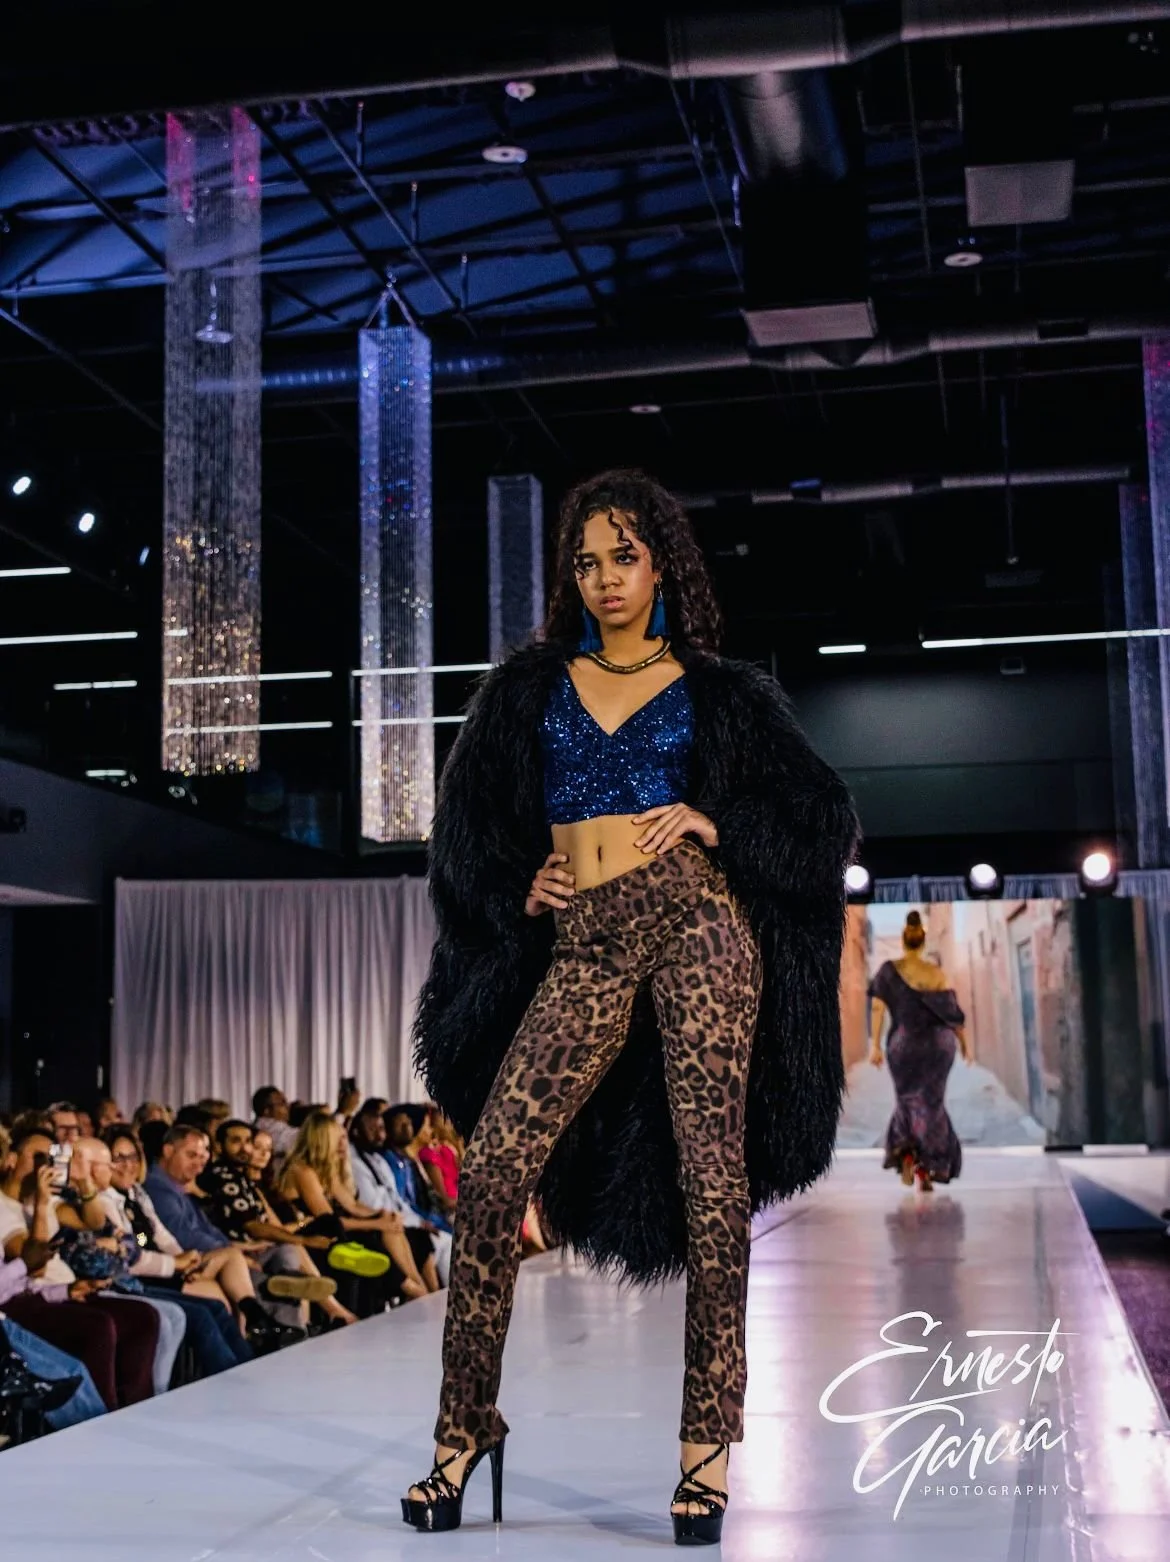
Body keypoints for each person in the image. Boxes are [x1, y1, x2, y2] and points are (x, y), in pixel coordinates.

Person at [403, 468, 858, 1544]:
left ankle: (706, 1451)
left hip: (698, 922)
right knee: (495, 1173)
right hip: (586, 938)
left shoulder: (719, 689)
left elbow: (820, 812)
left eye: (625, 556)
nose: (605, 579)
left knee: (713, 1185)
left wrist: (718, 820)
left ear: (662, 564)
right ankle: (463, 1429)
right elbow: (469, 830)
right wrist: (520, 876)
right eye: (587, 561)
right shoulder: (528, 689)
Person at [0, 1124, 160, 1409]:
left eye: (131, 1158)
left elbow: (147, 1236)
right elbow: (87, 1252)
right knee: (145, 1318)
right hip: (94, 1280)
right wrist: (138, 1253)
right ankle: (106, 1412)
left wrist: (86, 1184)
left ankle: (138, 1404)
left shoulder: (134, 1198)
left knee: (153, 1316)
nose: (122, 1166)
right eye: (113, 1160)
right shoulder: (63, 1198)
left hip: (117, 1275)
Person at [99, 1126, 255, 1375]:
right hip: (135, 1279)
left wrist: (184, 1261)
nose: (127, 1165)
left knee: (219, 1293)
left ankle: (247, 1364)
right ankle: (232, 1375)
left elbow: (159, 1236)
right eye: (119, 1158)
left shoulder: (135, 1194)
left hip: (161, 1268)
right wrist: (176, 1264)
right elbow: (133, 1255)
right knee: (208, 1307)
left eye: (132, 1157)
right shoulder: (103, 1200)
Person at [143, 1125, 308, 1349]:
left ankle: (283, 1329)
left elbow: (194, 1232)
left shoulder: (168, 1189)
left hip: (191, 1259)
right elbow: (177, 1237)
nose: (199, 1163)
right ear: (168, 1150)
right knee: (256, 1281)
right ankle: (272, 1336)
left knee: (282, 1251)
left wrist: (236, 1247)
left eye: (203, 1156)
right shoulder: (157, 1188)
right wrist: (232, 1251)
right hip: (171, 1267)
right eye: (191, 1155)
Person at [199, 1120, 359, 1327]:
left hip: (250, 1248)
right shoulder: (221, 1178)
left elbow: (268, 1225)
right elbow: (251, 1225)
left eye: (248, 1141)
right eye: (236, 1141)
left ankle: (299, 1320)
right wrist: (301, 1235)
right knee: (282, 1261)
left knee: (288, 1252)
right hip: (225, 1254)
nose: (245, 1148)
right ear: (219, 1146)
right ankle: (308, 1314)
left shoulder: (243, 1179)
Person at [277, 1111, 430, 1303]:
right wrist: (376, 1224)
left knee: (391, 1226)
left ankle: (415, 1285)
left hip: (328, 1226)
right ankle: (412, 1288)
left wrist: (382, 1215)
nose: (343, 1144)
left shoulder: (325, 1168)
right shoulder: (301, 1170)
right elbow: (327, 1219)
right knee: (372, 1235)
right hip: (305, 1231)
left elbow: (352, 1204)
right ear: (323, 1139)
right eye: (338, 1138)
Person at [868, 910, 970, 1191]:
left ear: (903, 941)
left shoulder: (888, 971)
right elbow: (953, 1015)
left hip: (904, 1045)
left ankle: (907, 1151)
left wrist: (875, 1046)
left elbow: (877, 1008)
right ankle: (930, 1167)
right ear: (923, 943)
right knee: (932, 1104)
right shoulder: (936, 973)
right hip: (938, 1047)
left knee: (908, 1100)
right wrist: (965, 1046)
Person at [349, 1101, 449, 1287]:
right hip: (378, 1222)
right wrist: (414, 1222)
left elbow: (396, 1199)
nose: (379, 1134)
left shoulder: (377, 1159)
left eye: (381, 1128)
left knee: (440, 1240)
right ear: (356, 1132)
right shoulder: (355, 1162)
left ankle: (433, 1294)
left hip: (401, 1219)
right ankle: (425, 1292)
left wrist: (419, 1222)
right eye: (372, 1129)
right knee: (425, 1241)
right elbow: (373, 1202)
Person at [382, 1105, 453, 1232]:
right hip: (415, 1222)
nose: (430, 1131)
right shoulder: (394, 1159)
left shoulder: (411, 1159)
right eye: (426, 1126)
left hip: (430, 1218)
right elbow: (404, 1202)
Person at [252, 1087, 298, 1171]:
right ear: (267, 1111)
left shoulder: (256, 1125)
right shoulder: (273, 1128)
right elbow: (305, 1138)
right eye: (282, 1103)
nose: (287, 1107)